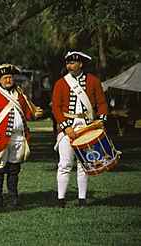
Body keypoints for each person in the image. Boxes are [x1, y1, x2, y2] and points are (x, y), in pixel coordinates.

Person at [52, 51, 108, 208]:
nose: (69, 66)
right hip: (67, 127)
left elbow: (102, 103)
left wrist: (101, 120)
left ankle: (82, 199)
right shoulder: (61, 83)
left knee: (84, 163)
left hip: (87, 125)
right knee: (64, 164)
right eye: (67, 63)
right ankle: (60, 199)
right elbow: (56, 108)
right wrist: (65, 127)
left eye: (72, 63)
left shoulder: (93, 81)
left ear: (80, 64)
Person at [0, 64, 43, 207]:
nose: (9, 80)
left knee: (14, 168)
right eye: (5, 77)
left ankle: (13, 198)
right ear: (0, 80)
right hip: (1, 138)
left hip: (18, 137)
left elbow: (27, 113)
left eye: (10, 77)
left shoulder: (20, 94)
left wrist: (35, 115)